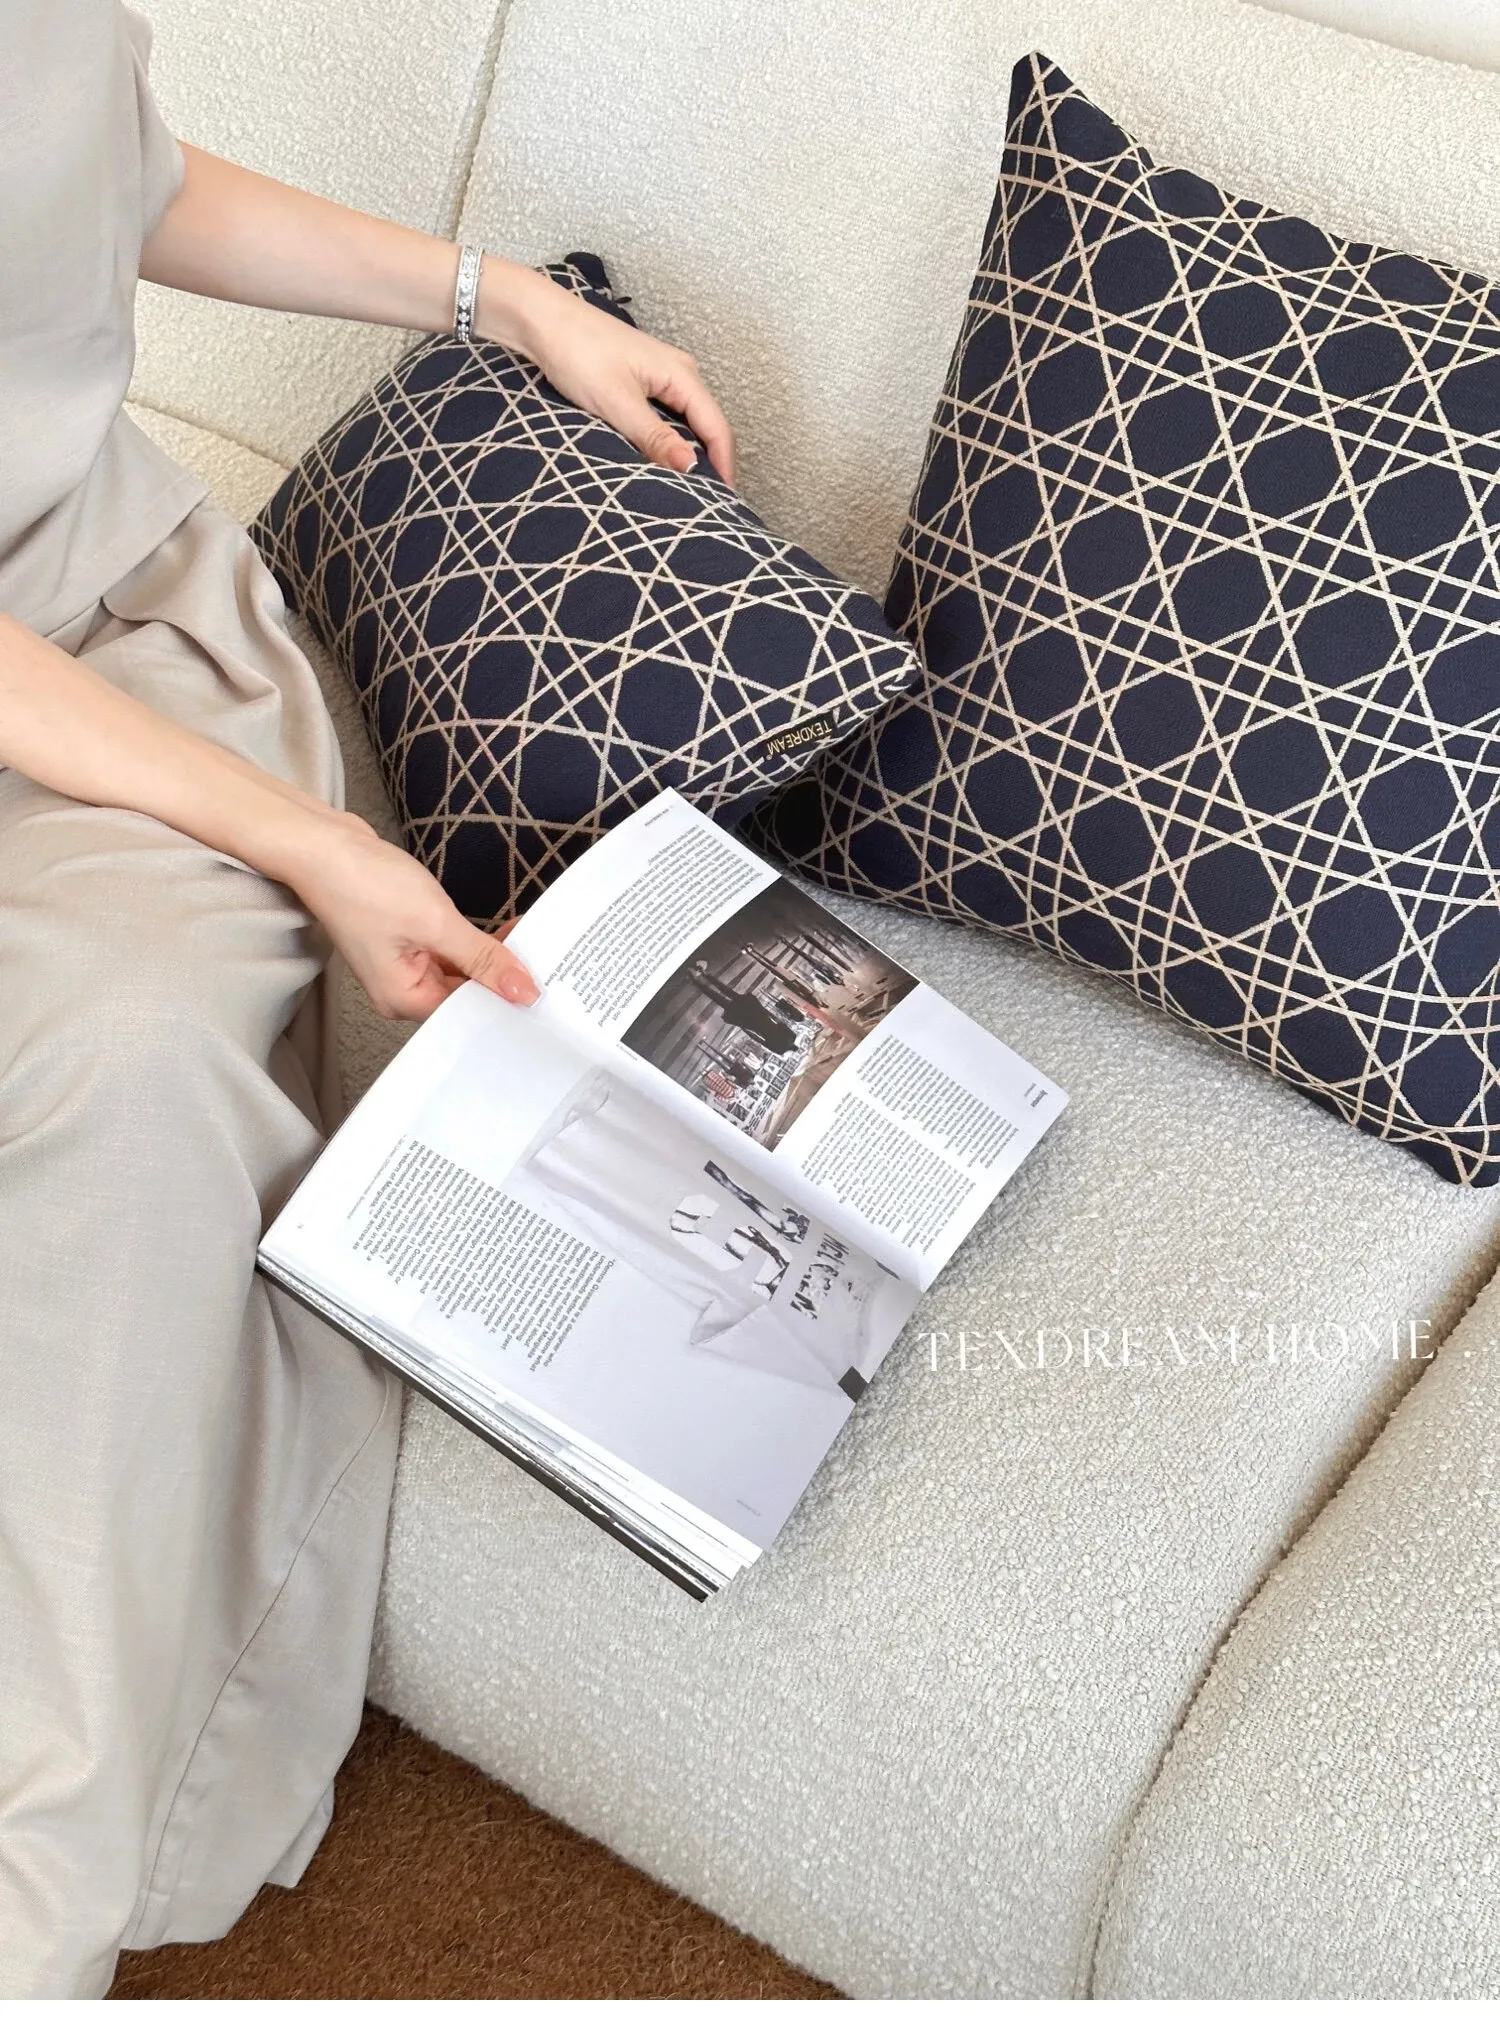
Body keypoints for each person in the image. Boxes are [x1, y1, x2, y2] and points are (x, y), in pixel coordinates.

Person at [0, 0, 735, 2001]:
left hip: (113, 630)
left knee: (144, 1028)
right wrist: (315, 841)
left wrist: (505, 302)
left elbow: (120, 181)